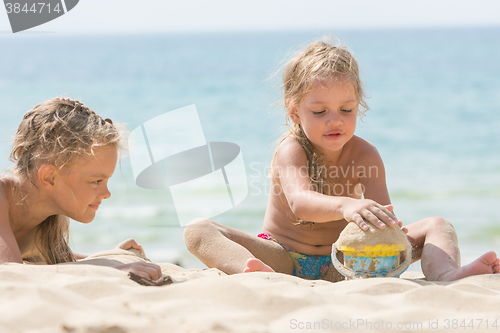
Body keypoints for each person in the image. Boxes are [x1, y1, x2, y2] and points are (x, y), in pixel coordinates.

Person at [183, 39, 500, 282]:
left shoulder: (365, 154)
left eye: (346, 110)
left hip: (345, 262)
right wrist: (347, 205)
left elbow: (383, 217)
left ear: (358, 106)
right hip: (285, 258)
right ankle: (255, 274)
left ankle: (446, 275)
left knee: (437, 225)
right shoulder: (291, 149)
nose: (334, 121)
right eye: (320, 112)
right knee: (198, 230)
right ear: (295, 112)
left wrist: (388, 230)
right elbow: (300, 203)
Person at [0, 97, 161, 281]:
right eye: (96, 181)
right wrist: (109, 272)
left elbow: (56, 263)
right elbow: (9, 273)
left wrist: (111, 257)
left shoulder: (48, 221)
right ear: (49, 177)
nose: (107, 194)